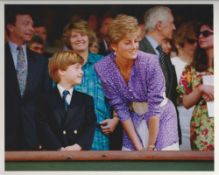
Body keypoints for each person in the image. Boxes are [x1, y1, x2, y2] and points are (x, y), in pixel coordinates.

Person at [95, 15, 179, 151]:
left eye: (136, 41)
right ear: (114, 46)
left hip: (161, 115)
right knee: (132, 161)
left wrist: (151, 146)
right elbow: (120, 109)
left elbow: (154, 107)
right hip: (133, 117)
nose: (134, 47)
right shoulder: (103, 67)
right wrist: (139, 147)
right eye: (128, 43)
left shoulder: (150, 62)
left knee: (162, 163)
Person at [62, 19, 121, 150]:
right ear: (68, 40)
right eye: (74, 36)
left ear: (89, 37)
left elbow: (117, 94)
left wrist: (116, 119)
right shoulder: (62, 64)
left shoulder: (104, 63)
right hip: (69, 134)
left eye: (82, 34)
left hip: (99, 133)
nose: (79, 39)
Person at [5, 7, 51, 150]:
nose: (31, 28)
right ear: (11, 27)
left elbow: (45, 100)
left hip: (31, 134)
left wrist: (44, 136)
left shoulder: (41, 61)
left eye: (32, 24)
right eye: (25, 24)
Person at [37, 50, 96, 150]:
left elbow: (90, 126)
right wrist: (58, 148)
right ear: (61, 71)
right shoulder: (44, 99)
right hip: (52, 156)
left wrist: (78, 146)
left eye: (81, 68)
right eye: (77, 68)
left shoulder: (86, 100)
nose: (81, 72)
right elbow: (43, 127)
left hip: (79, 155)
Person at [139, 6, 181, 144]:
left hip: (166, 127)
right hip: (145, 127)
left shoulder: (162, 53)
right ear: (159, 25)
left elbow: (170, 92)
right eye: (171, 22)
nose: (174, 27)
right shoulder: (138, 50)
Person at [176, 21, 214, 151]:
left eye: (206, 33)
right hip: (202, 127)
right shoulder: (191, 68)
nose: (200, 37)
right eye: (199, 34)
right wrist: (200, 89)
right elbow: (185, 102)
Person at [171, 21, 198, 150]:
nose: (196, 45)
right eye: (191, 41)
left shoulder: (201, 66)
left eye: (197, 41)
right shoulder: (172, 64)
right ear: (180, 42)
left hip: (199, 120)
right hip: (180, 119)